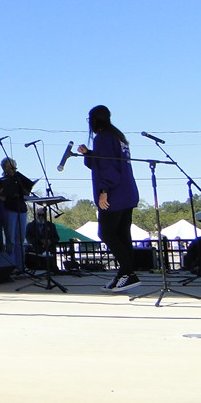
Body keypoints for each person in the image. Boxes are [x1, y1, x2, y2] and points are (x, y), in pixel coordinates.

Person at [78, 105, 142, 292]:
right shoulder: (118, 137)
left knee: (106, 233)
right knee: (122, 234)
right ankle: (125, 273)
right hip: (127, 191)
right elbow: (101, 162)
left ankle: (129, 273)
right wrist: (88, 154)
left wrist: (103, 189)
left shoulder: (103, 137)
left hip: (114, 193)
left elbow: (107, 167)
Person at [0, 157, 34, 272]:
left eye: (11, 167)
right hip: (9, 209)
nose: (9, 169)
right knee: (11, 240)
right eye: (7, 167)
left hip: (21, 209)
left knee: (21, 239)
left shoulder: (19, 179)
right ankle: (11, 265)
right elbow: (1, 195)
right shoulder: (3, 180)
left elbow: (26, 191)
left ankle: (21, 265)